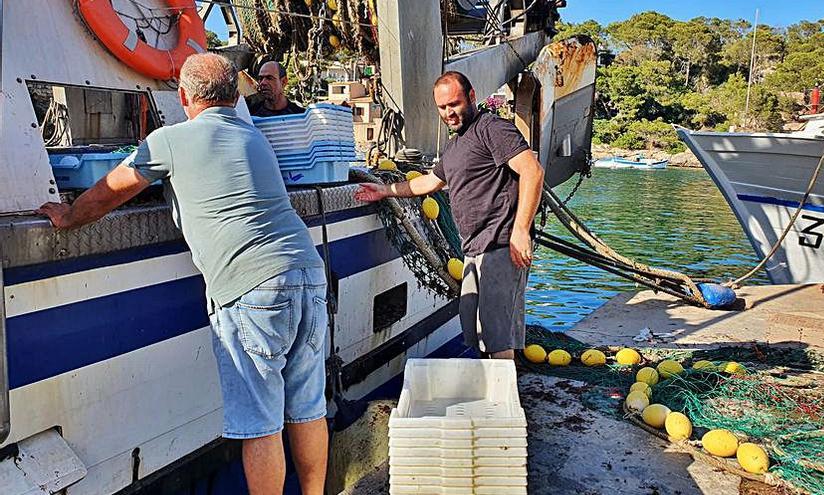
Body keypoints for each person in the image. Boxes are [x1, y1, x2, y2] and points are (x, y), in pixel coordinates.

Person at [37, 53, 328, 495]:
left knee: (262, 423)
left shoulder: (171, 140)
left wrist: (69, 217)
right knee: (307, 409)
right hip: (307, 272)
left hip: (252, 289)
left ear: (185, 97)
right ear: (234, 96)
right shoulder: (254, 138)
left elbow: (112, 190)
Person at [354, 71, 544, 360]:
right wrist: (385, 190)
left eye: (454, 104)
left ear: (471, 97)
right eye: (442, 107)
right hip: (474, 249)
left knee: (497, 335)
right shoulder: (454, 147)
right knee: (475, 330)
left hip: (502, 246)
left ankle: (504, 401)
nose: (449, 113)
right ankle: (490, 395)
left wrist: (521, 230)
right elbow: (429, 182)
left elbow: (532, 170)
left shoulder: (492, 128)